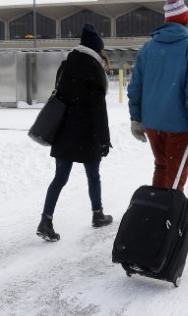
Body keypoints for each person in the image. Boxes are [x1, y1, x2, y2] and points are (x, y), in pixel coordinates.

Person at [36, 23, 113, 242]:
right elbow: (98, 109)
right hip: (86, 133)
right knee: (93, 175)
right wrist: (104, 139)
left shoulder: (66, 65)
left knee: (59, 178)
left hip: (64, 130)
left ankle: (46, 220)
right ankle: (97, 214)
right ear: (97, 50)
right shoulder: (95, 72)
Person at [127, 0, 188, 192]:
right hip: (179, 126)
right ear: (186, 21)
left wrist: (136, 118)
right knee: (176, 175)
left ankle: (155, 215)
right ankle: (170, 220)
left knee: (161, 167)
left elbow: (135, 86)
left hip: (153, 124)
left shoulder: (148, 48)